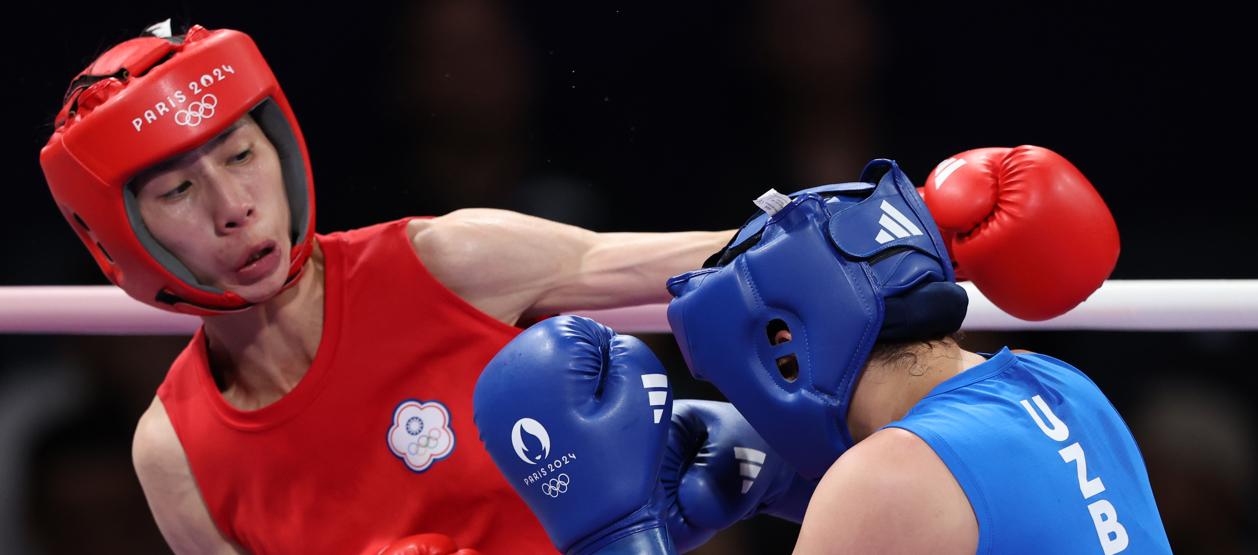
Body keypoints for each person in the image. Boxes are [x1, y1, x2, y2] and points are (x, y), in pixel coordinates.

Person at [38, 21, 731, 554]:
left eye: (243, 154)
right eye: (180, 189)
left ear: (280, 148)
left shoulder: (445, 262)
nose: (233, 205)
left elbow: (731, 257)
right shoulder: (173, 452)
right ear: (122, 235)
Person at [473, 152, 1173, 553]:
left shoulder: (882, 480)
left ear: (782, 345)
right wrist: (785, 483)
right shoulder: (1059, 384)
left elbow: (909, 496)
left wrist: (618, 538)